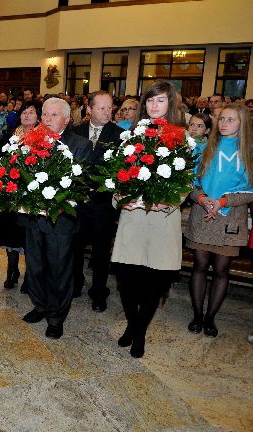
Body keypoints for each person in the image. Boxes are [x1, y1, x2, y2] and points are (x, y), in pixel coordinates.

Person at [111, 80, 187, 358]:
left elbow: (185, 183)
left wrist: (166, 201)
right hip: (132, 220)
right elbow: (116, 176)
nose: (154, 106)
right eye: (151, 101)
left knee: (153, 285)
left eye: (161, 101)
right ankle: (134, 324)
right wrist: (119, 197)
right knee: (126, 282)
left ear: (171, 105)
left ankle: (139, 332)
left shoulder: (182, 138)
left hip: (161, 222)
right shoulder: (131, 136)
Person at [20, 98, 92, 339]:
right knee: (35, 265)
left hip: (61, 221)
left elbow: (81, 185)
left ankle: (56, 316)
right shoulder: (31, 141)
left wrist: (58, 203)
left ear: (67, 119)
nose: (48, 119)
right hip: (33, 217)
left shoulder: (80, 144)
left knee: (59, 270)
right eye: (45, 115)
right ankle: (40, 305)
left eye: (53, 115)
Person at [184, 104, 253, 337]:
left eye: (231, 120)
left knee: (222, 270)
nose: (224, 123)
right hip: (203, 213)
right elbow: (190, 182)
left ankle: (210, 318)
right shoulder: (204, 147)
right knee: (199, 266)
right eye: (222, 118)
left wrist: (223, 201)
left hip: (231, 216)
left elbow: (250, 190)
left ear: (242, 123)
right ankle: (197, 315)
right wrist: (201, 197)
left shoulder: (249, 152)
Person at [71, 91, 124, 312]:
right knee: (74, 247)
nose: (107, 112)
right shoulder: (76, 132)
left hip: (102, 203)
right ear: (89, 109)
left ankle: (99, 292)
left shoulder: (120, 135)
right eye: (101, 108)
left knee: (101, 251)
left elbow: (120, 171)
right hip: (78, 202)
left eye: (110, 108)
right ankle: (75, 284)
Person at [0, 101, 40, 291]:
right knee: (11, 233)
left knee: (28, 235)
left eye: (31, 112)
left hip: (31, 192)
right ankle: (12, 271)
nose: (26, 115)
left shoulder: (42, 136)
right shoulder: (12, 134)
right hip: (12, 190)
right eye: (24, 112)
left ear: (38, 116)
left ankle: (30, 276)